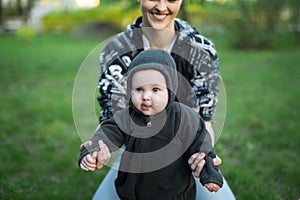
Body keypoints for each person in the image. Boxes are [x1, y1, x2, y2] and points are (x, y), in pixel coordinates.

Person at [79, 0, 236, 199]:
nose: (161, 7)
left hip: (185, 151)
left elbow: (203, 121)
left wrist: (201, 155)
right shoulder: (117, 49)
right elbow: (112, 120)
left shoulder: (200, 50)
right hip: (135, 150)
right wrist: (97, 147)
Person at [79, 50, 224, 199]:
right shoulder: (127, 117)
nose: (146, 97)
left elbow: (202, 146)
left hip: (174, 195)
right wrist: (93, 152)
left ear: (170, 90)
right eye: (139, 89)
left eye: (155, 89)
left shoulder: (184, 117)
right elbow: (108, 133)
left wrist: (210, 173)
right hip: (131, 195)